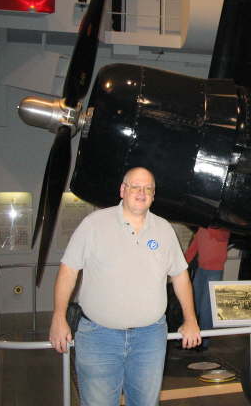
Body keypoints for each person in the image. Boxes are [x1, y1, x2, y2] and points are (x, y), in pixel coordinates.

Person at [49, 167, 201, 406]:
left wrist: (190, 319)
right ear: (122, 190)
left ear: (153, 195)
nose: (141, 193)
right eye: (135, 187)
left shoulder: (163, 230)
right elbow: (68, 270)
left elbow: (180, 275)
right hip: (99, 338)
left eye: (148, 189)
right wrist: (59, 317)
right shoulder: (93, 225)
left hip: (150, 338)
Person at [184, 226, 230, 349]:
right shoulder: (201, 229)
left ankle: (204, 342)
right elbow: (193, 249)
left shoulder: (222, 229)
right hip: (201, 270)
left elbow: (222, 236)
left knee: (206, 309)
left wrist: (208, 225)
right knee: (193, 304)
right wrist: (181, 265)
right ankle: (191, 339)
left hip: (214, 271)